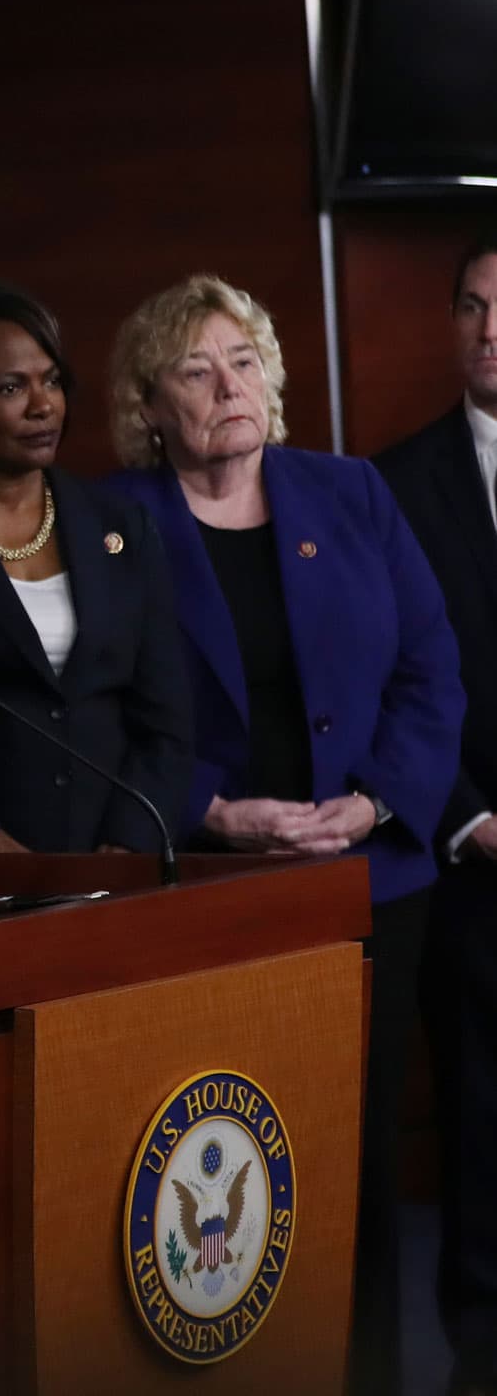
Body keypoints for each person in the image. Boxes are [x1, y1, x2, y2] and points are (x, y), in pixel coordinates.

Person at [102, 274, 463, 1396]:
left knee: (352, 1155)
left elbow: (428, 665)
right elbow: (104, 707)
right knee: (228, 1160)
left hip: (369, 878)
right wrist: (210, 811)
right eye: (196, 369)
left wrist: (374, 801)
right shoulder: (115, 523)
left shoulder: (349, 493)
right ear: (148, 405)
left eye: (245, 361)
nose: (229, 386)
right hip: (209, 885)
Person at [0, 281, 193, 853]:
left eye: (52, 381)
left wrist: (129, 845)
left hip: (120, 857)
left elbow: (166, 718)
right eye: (11, 387)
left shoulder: (120, 525)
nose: (43, 405)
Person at [376, 229, 497, 1396]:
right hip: (473, 863)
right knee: (477, 1120)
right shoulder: (393, 483)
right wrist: (463, 815)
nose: (488, 330)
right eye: (469, 307)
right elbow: (391, 677)